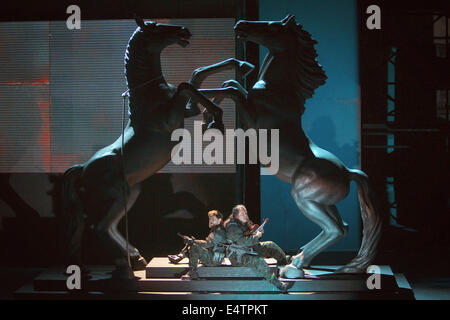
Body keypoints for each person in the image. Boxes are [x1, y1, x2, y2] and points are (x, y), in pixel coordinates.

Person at [224, 204, 292, 292]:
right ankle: (279, 285)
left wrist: (258, 231)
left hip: (249, 249)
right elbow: (243, 241)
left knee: (270, 245)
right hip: (238, 256)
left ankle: (286, 262)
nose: (245, 215)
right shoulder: (232, 227)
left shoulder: (245, 223)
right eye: (242, 213)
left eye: (246, 212)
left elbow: (250, 236)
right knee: (258, 261)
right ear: (236, 215)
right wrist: (257, 236)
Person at [170, 210, 228, 280]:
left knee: (194, 246)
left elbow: (208, 244)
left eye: (213, 219)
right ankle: (181, 255)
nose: (210, 221)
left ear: (219, 220)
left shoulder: (219, 232)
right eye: (209, 219)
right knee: (193, 243)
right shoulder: (216, 230)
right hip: (214, 256)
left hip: (214, 260)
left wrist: (194, 241)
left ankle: (192, 273)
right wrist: (193, 241)